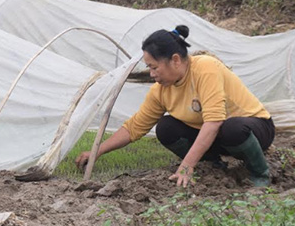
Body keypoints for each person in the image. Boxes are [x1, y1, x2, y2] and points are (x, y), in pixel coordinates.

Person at [75, 25, 275, 187]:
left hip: (254, 129)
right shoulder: (161, 90)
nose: (152, 74)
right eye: (149, 68)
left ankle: (260, 173)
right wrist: (97, 151)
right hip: (218, 137)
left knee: (232, 128)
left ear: (176, 60)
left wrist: (186, 166)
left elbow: (214, 122)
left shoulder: (205, 68)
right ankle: (212, 164)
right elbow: (135, 127)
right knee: (166, 127)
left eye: (154, 67)